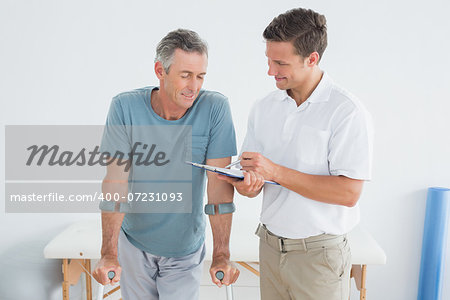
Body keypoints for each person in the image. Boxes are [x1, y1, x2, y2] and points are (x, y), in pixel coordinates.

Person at [217, 8, 373, 300]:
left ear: (311, 58)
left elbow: (349, 192)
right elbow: (252, 178)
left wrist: (274, 172)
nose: (270, 71)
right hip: (270, 247)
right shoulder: (264, 107)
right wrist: (247, 184)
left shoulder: (346, 112)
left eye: (280, 63)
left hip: (319, 257)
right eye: (268, 60)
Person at [93, 29, 240, 300]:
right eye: (185, 75)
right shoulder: (125, 107)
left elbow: (218, 186)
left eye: (200, 76)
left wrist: (222, 254)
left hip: (185, 246)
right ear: (160, 70)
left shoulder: (215, 108)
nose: (194, 86)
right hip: (134, 242)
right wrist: (108, 253)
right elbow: (115, 182)